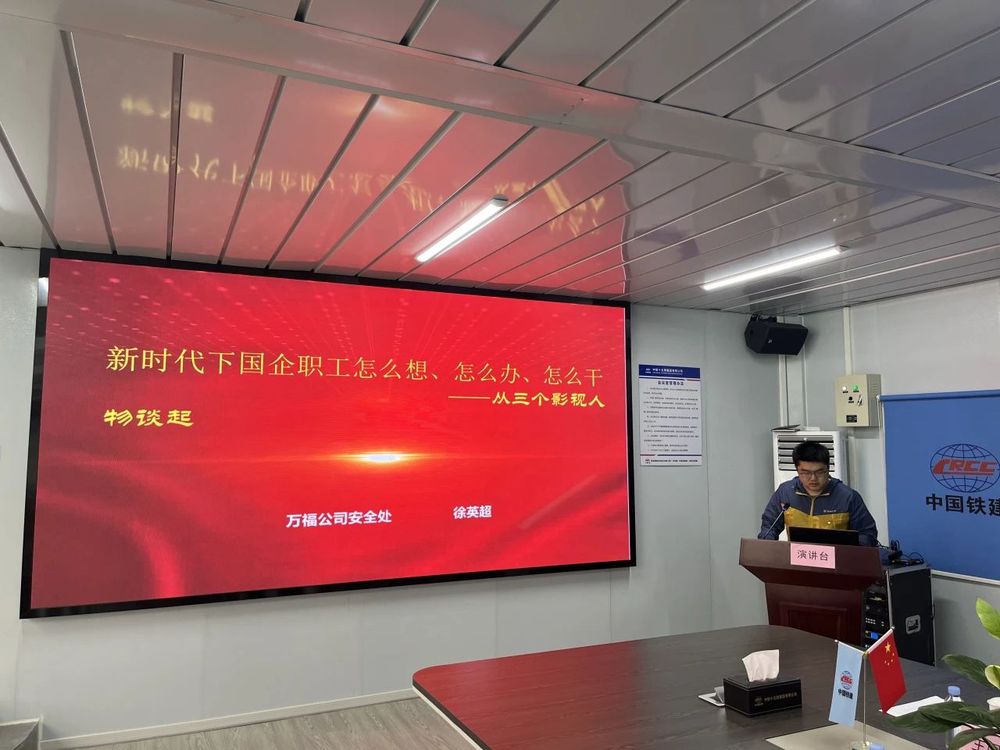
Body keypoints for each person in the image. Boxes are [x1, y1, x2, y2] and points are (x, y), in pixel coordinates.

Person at [758, 440, 878, 546]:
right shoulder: (785, 492)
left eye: (819, 472)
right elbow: (769, 526)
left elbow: (867, 534)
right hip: (798, 558)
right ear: (797, 470)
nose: (813, 478)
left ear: (828, 469)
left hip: (837, 560)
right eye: (806, 472)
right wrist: (767, 546)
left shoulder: (848, 497)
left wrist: (850, 548)